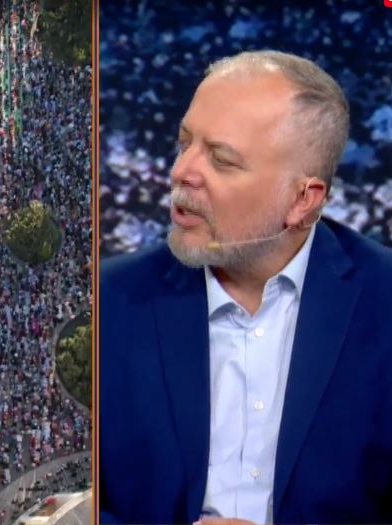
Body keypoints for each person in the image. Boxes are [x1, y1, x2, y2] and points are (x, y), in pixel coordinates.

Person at [99, 49, 392, 524]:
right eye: (184, 143)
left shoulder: (383, 302)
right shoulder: (112, 300)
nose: (181, 172)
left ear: (302, 200)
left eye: (222, 159)